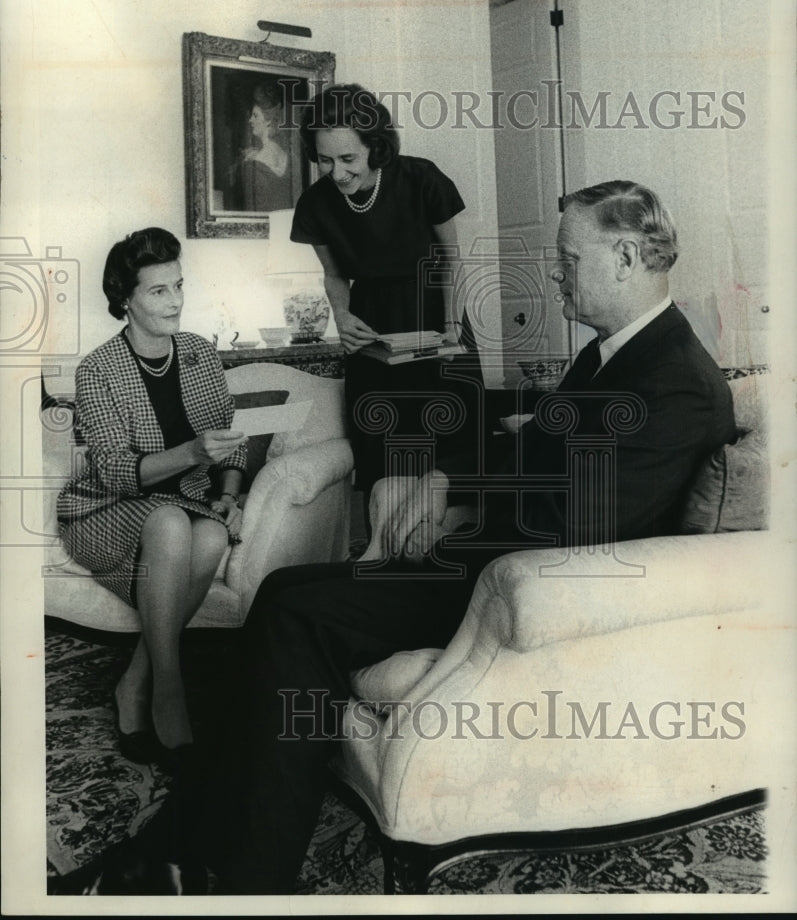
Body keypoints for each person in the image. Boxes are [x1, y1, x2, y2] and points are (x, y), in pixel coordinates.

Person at [52, 181, 736, 894]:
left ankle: (234, 874)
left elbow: (582, 524)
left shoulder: (674, 379)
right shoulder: (613, 355)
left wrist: (461, 509)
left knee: (293, 613)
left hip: (521, 589)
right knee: (285, 592)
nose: (555, 273)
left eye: (567, 258)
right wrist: (447, 481)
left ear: (626, 258)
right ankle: (184, 846)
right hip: (490, 561)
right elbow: (536, 459)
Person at [55, 227, 246, 764]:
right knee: (169, 522)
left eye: (178, 286)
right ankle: (170, 690)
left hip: (184, 506)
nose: (176, 300)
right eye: (159, 291)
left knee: (209, 534)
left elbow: (230, 443)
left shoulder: (200, 354)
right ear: (126, 300)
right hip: (103, 508)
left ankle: (136, 681)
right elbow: (114, 472)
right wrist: (191, 453)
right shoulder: (98, 370)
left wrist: (229, 493)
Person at [290, 83, 473, 503]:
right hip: (371, 329)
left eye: (348, 158)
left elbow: (453, 259)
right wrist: (341, 315)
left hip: (436, 314)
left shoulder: (421, 177)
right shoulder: (315, 204)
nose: (337, 173)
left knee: (445, 454)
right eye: (324, 160)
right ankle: (381, 554)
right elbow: (335, 276)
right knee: (385, 459)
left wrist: (451, 325)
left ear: (375, 146)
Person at [226, 82, 292, 212]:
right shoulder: (281, 152)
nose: (250, 120)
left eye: (255, 115)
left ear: (268, 119)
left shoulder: (258, 159)